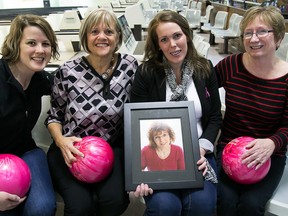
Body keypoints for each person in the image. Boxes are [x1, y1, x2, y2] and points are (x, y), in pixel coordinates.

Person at [45, 9, 138, 216]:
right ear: (85, 36)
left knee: (114, 201)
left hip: (111, 149)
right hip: (70, 150)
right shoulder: (68, 71)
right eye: (94, 31)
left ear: (118, 37)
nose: (102, 37)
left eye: (109, 31)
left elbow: (138, 110)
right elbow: (54, 116)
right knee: (80, 206)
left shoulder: (129, 66)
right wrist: (61, 142)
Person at [130, 10, 222, 216]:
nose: (173, 44)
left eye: (177, 36)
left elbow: (215, 116)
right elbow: (136, 123)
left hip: (199, 152)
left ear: (187, 35)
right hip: (157, 154)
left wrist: (201, 148)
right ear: (157, 45)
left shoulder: (205, 69)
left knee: (202, 204)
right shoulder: (146, 73)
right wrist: (139, 171)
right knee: (165, 206)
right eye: (164, 39)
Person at [214, 6, 288, 216]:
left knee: (251, 205)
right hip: (230, 146)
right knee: (225, 200)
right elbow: (204, 93)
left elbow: (287, 126)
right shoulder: (230, 65)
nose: (254, 38)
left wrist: (272, 143)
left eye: (262, 31)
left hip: (269, 152)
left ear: (279, 38)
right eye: (248, 32)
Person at [0, 14, 59, 215]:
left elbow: (71, 86)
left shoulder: (40, 79)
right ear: (16, 44)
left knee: (42, 208)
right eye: (31, 43)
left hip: (25, 151)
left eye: (46, 44)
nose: (40, 50)